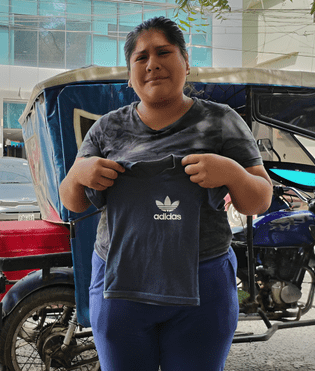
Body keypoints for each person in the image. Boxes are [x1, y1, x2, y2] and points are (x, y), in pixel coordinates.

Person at [59, 17, 272, 371]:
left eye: (163, 52)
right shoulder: (106, 128)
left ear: (186, 62)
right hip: (119, 285)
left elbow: (259, 200)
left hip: (202, 285)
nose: (152, 64)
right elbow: (74, 201)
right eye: (141, 58)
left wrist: (230, 172)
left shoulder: (221, 121)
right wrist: (78, 173)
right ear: (130, 75)